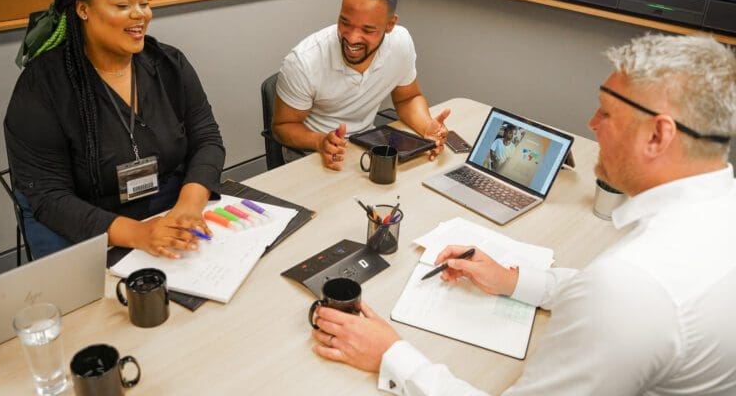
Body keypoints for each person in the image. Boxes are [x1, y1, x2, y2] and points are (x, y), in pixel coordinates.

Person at [310, 34, 736, 395]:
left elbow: (623, 297)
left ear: (658, 134)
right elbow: (602, 291)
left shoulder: (632, 287)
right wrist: (515, 280)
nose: (591, 124)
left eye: (606, 112)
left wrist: (390, 354)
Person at [4, 0, 225, 260]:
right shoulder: (43, 86)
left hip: (171, 211)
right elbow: (49, 196)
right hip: (93, 230)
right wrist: (140, 234)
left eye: (144, 3)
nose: (140, 14)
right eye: (122, 5)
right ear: (82, 9)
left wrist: (188, 207)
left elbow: (207, 138)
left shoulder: (168, 64)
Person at [273, 0, 450, 170]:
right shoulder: (304, 61)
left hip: (365, 144)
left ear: (390, 25)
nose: (352, 38)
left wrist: (427, 127)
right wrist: (320, 141)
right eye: (345, 23)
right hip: (310, 152)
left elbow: (407, 98)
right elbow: (282, 127)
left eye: (367, 30)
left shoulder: (400, 43)